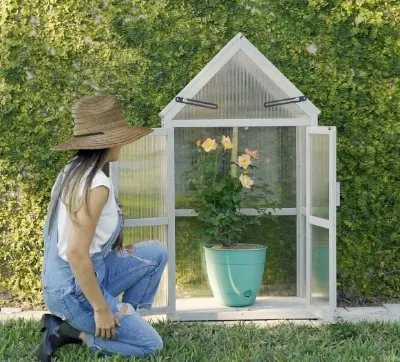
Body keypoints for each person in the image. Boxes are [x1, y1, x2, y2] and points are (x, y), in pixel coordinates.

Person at [38, 95, 168, 361]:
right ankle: (70, 333)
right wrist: (100, 308)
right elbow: (75, 253)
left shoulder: (72, 171)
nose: (123, 141)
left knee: (156, 252)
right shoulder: (96, 185)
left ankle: (125, 320)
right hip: (73, 290)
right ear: (109, 141)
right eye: (120, 135)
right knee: (151, 346)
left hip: (82, 276)